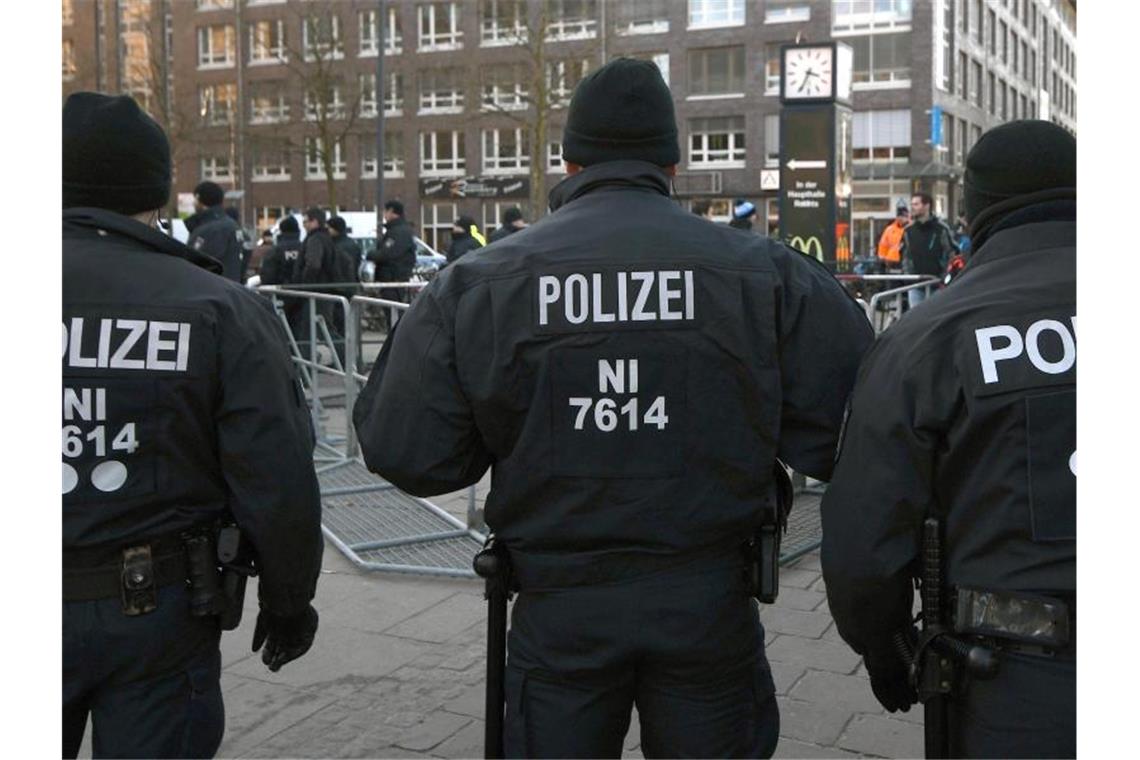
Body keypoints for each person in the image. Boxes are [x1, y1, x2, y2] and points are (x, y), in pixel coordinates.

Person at [353, 58, 873, 759]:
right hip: (708, 599)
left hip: (559, 607)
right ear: (674, 164)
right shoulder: (762, 272)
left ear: (568, 159)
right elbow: (854, 432)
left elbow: (406, 449)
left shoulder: (481, 282)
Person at [62, 92, 324, 759]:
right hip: (155, 611)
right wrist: (289, 599)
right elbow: (277, 471)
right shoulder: (217, 308)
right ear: (155, 195)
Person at [819, 120, 1076, 758]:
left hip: (1017, 682)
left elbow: (864, 537)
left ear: (975, 211)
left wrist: (886, 647)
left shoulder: (928, 339)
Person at [899, 192, 956, 309]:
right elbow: (905, 255)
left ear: (926, 206)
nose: (912, 207)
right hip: (915, 284)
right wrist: (908, 277)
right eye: (912, 204)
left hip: (937, 283)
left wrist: (945, 276)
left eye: (916, 204)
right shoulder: (908, 231)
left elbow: (952, 253)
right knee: (916, 319)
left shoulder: (941, 229)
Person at [185, 181, 244, 283]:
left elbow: (196, 265)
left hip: (210, 292)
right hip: (229, 290)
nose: (193, 203)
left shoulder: (210, 230)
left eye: (194, 199)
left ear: (199, 198)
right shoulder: (232, 225)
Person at [876, 205, 909, 270]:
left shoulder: (911, 229)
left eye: (903, 216)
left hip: (906, 261)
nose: (900, 218)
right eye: (899, 216)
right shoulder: (889, 229)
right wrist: (882, 259)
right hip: (891, 261)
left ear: (907, 217)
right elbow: (883, 245)